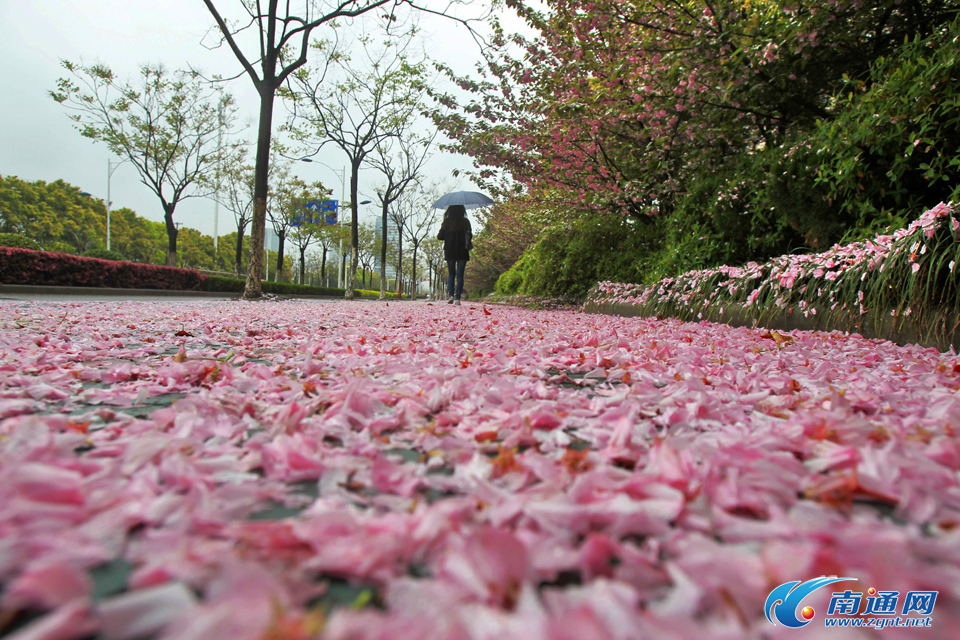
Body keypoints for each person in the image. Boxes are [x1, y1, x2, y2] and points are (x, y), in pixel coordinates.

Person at [437, 204, 472, 305]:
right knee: (460, 275)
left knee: (451, 274)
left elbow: (440, 237)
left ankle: (451, 295)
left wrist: (444, 229)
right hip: (462, 251)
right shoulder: (465, 222)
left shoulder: (446, 222)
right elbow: (470, 235)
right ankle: (457, 298)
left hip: (450, 250)